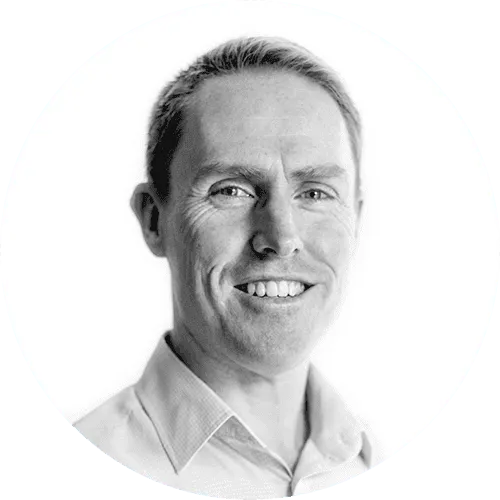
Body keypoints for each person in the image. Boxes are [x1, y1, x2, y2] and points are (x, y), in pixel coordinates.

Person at [75, 36, 377, 499]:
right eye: (231, 190)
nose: (281, 238)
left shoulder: (376, 457)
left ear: (355, 219)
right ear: (154, 221)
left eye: (315, 193)